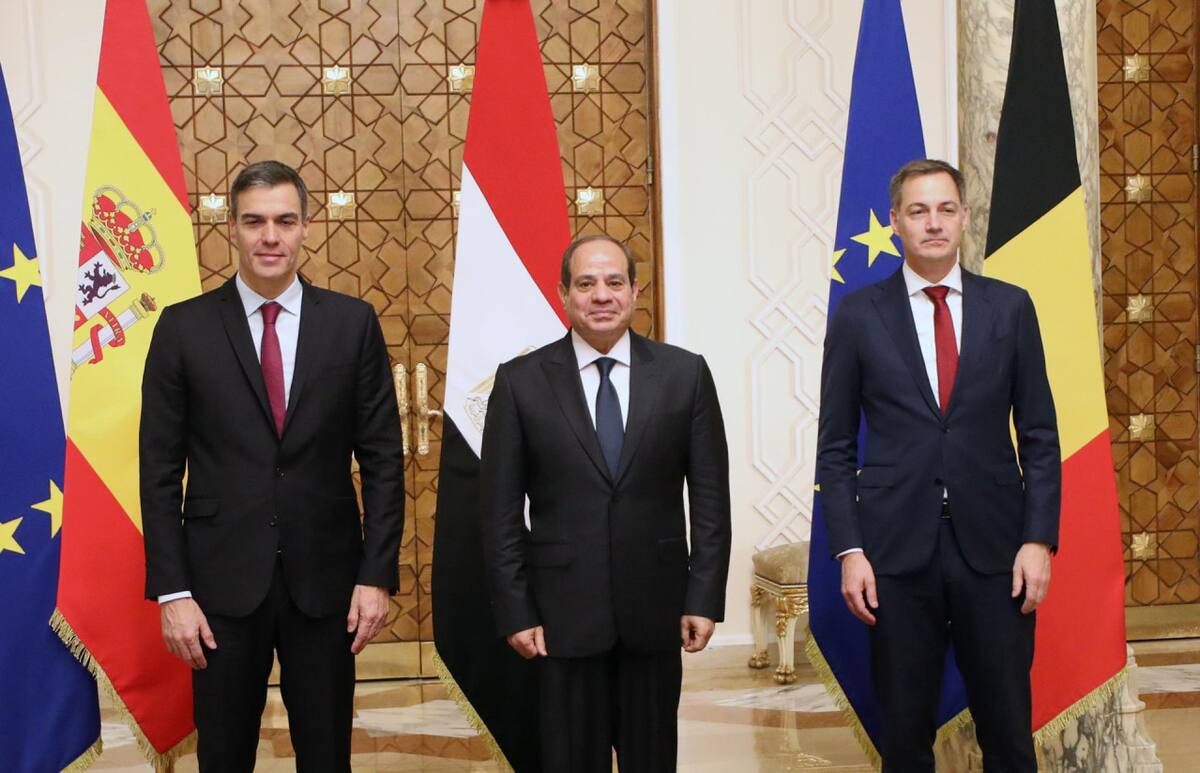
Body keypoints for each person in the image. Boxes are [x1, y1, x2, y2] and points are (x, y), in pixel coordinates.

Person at [140, 160, 405, 771]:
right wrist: (173, 591)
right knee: (225, 754)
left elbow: (384, 460)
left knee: (325, 753)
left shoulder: (352, 323)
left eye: (285, 221)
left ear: (306, 227)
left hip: (328, 583)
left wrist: (376, 575)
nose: (270, 236)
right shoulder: (183, 328)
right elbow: (157, 469)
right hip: (218, 589)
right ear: (230, 226)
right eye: (255, 221)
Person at [816, 158, 1060, 771]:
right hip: (894, 556)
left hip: (997, 553)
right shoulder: (858, 315)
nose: (933, 223)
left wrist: (1038, 540)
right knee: (904, 737)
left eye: (946, 209)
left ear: (965, 218)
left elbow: (1040, 436)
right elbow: (836, 445)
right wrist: (850, 551)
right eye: (918, 211)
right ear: (895, 221)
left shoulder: (1010, 308)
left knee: (1008, 733)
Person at [480, 234, 732, 772]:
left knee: (652, 760)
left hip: (657, 612)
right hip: (561, 619)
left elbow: (711, 500)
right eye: (586, 283)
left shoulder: (685, 375)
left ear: (635, 291)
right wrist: (516, 609)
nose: (601, 295)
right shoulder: (521, 382)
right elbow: (499, 513)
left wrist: (703, 597)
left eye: (614, 282)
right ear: (564, 294)